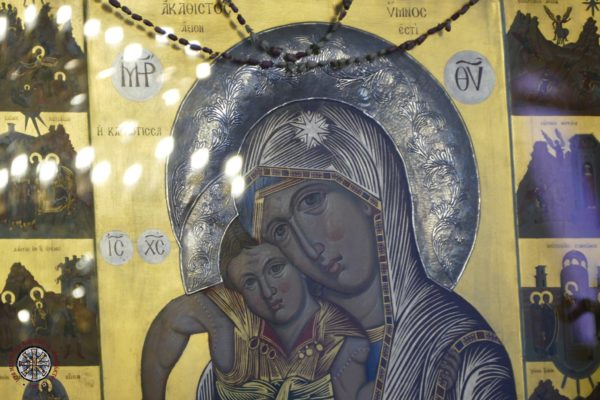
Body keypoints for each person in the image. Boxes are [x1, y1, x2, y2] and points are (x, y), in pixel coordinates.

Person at [226, 99, 517, 399]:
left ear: (367, 192)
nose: (310, 248)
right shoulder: (249, 364)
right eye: (280, 231)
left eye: (311, 201)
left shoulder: (464, 356)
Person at [142, 219, 374, 400]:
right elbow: (170, 321)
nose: (267, 291)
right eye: (250, 282)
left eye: (276, 269)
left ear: (300, 265)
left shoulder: (341, 340)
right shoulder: (232, 319)